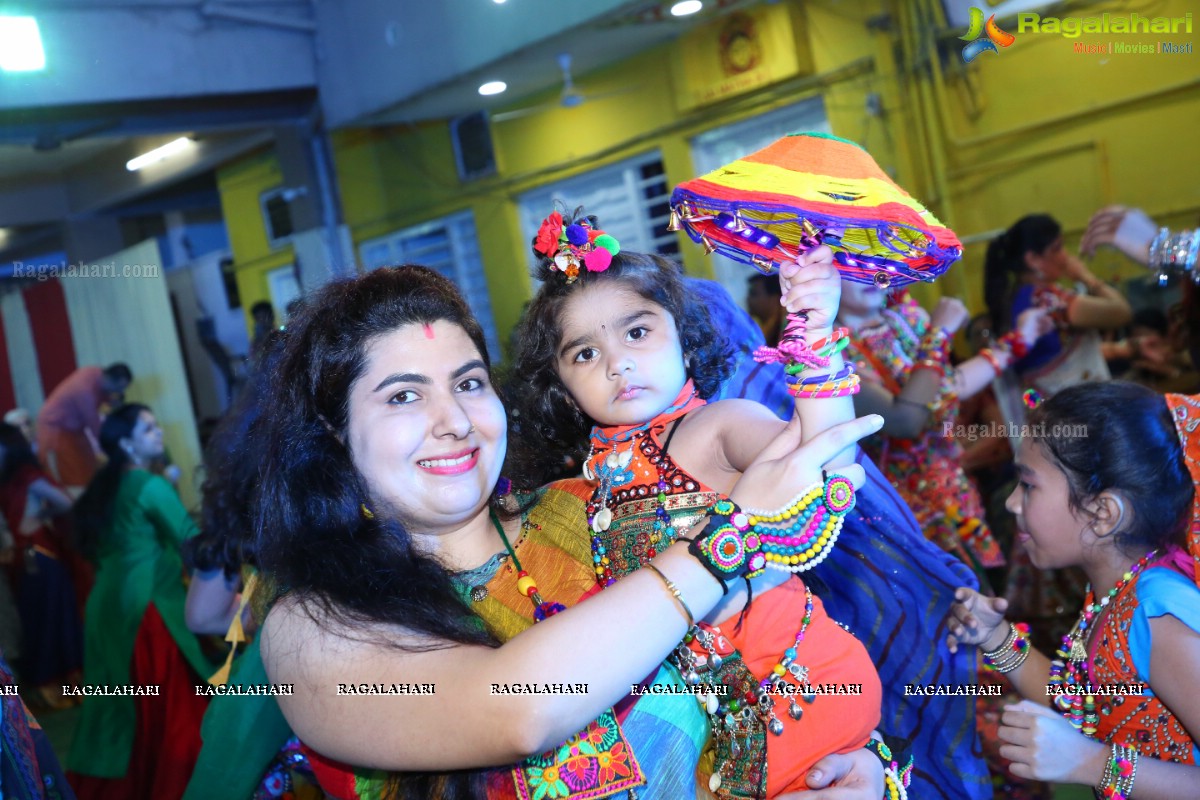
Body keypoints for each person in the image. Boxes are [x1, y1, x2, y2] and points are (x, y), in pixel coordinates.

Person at [255, 265, 892, 800]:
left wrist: (849, 768)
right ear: (334, 431)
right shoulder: (315, 627)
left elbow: (762, 659)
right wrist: (726, 540)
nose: (452, 420)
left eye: (469, 383)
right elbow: (517, 709)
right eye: (402, 396)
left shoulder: (601, 515)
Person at [508, 212, 883, 798]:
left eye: (637, 332)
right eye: (584, 353)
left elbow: (825, 461)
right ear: (558, 384)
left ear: (684, 334)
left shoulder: (717, 426)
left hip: (801, 695)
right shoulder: (578, 491)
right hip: (723, 721)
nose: (617, 363)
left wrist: (812, 332)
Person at [948, 382, 1200, 799]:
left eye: (1028, 485)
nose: (1012, 503)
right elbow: (1084, 702)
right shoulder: (1118, 592)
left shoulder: (1161, 617)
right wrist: (994, 637)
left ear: (1103, 514)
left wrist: (1091, 763)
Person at [181, 330, 317, 800]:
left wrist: (263, 603)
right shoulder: (355, 458)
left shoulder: (248, 472)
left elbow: (202, 615)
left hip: (260, 702)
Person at [838, 283, 1049, 583]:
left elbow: (952, 385)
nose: (871, 276)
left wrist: (1021, 339)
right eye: (852, 268)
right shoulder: (829, 352)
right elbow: (905, 420)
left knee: (986, 594)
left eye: (874, 262)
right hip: (904, 511)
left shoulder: (906, 320)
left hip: (956, 494)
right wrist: (938, 334)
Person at [66, 403, 215, 800]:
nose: (159, 432)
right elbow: (191, 541)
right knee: (171, 711)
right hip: (147, 611)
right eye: (148, 428)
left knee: (121, 707)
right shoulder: (150, 486)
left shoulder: (107, 486)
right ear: (127, 443)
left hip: (107, 609)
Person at [984, 214, 1132, 398]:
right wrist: (1086, 277)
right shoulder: (1046, 300)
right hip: (1071, 407)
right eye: (1057, 248)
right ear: (1033, 260)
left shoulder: (1015, 298)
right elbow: (1121, 311)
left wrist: (1124, 349)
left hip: (1044, 409)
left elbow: (1052, 353)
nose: (1065, 256)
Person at [0, 423, 81, 710]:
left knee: (50, 621)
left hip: (40, 558)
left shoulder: (28, 477)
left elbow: (66, 504)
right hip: (23, 560)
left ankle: (59, 686)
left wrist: (41, 513)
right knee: (36, 622)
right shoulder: (9, 480)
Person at [35, 363, 132, 491]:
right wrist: (114, 450)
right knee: (71, 478)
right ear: (109, 379)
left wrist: (110, 400)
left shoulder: (97, 374)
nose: (120, 392)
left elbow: (103, 395)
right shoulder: (84, 390)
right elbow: (95, 427)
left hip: (74, 430)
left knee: (89, 469)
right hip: (55, 432)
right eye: (119, 388)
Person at [746, 272, 786, 348]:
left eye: (754, 294)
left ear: (774, 299)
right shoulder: (757, 331)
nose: (748, 299)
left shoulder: (787, 333)